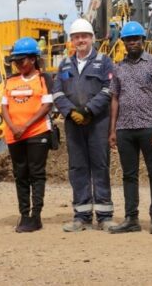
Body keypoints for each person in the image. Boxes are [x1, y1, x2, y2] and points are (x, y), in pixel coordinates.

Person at [108, 21, 152, 234]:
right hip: (125, 128)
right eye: (128, 40)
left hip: (148, 126)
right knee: (129, 175)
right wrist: (113, 130)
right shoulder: (118, 68)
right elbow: (114, 98)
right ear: (123, 42)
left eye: (136, 39)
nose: (132, 42)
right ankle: (131, 218)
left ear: (143, 40)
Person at [53, 18, 114, 232]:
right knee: (78, 168)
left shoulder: (104, 61)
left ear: (92, 38)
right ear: (71, 40)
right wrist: (71, 111)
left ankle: (105, 216)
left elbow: (109, 89)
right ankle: (82, 216)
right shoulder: (65, 64)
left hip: (97, 122)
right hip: (73, 124)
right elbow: (58, 92)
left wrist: (88, 110)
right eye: (76, 37)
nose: (81, 40)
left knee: (100, 166)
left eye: (84, 36)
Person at [2, 38, 53, 233]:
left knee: (36, 174)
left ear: (33, 59)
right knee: (20, 174)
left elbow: (46, 105)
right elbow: (4, 107)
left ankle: (36, 216)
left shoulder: (43, 78)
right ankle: (24, 214)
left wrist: (26, 126)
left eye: (21, 61)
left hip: (37, 132)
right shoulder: (11, 80)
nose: (18, 65)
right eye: (15, 61)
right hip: (14, 135)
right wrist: (14, 127)